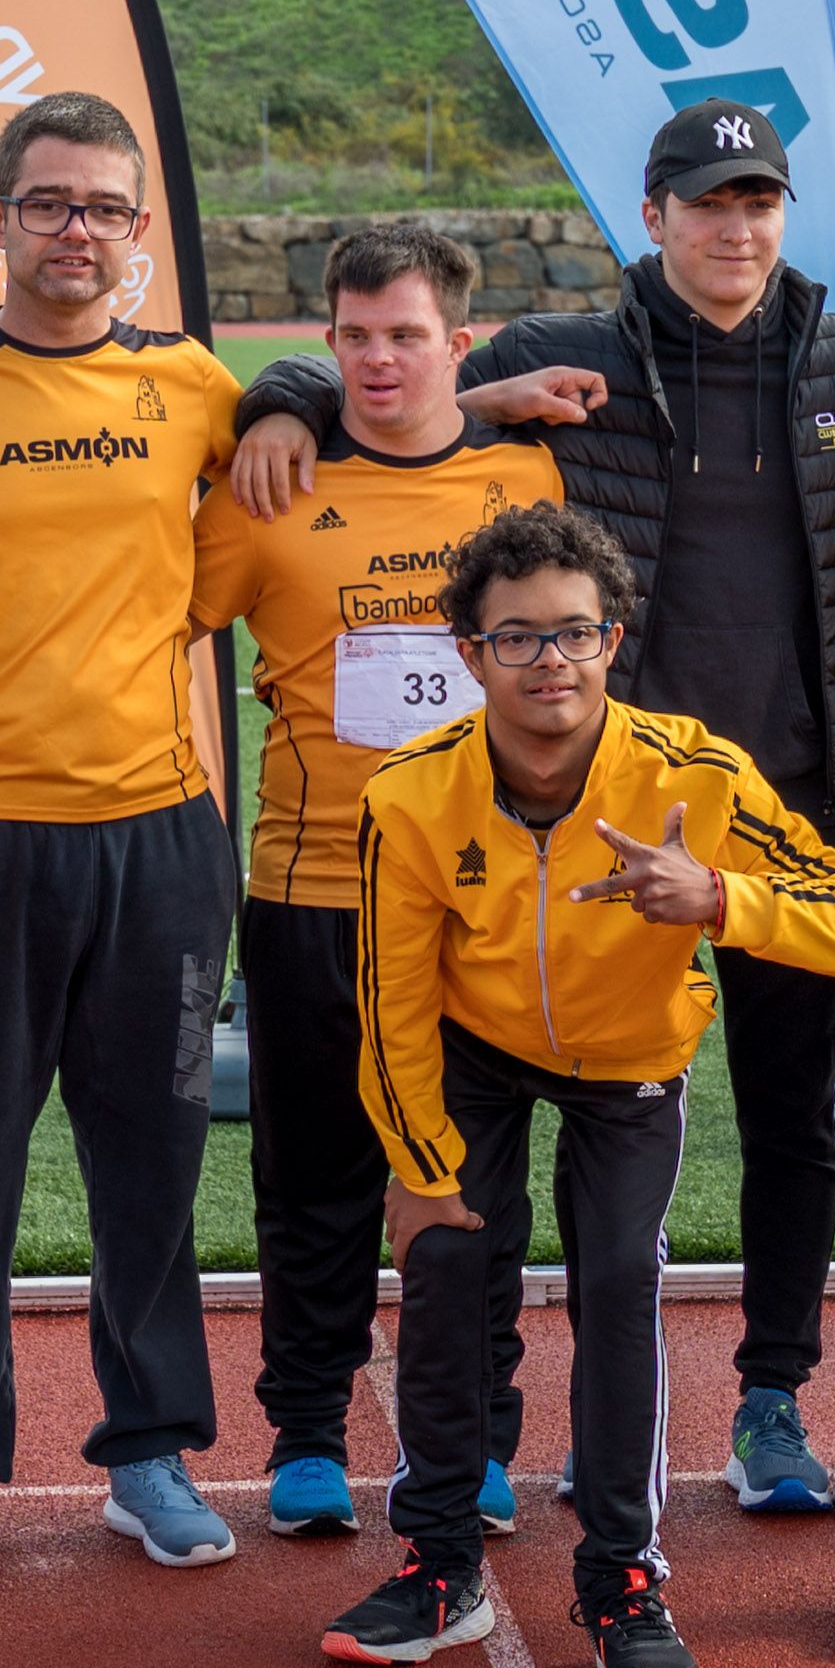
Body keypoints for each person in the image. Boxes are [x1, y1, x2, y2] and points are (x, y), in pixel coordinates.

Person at [238, 97, 835, 1514]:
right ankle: (446, 1431)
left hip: (781, 791)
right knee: (510, 1138)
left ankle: (772, 1401)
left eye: (759, 202)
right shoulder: (562, 357)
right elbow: (391, 380)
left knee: (786, 1124)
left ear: (785, 216)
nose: (735, 227)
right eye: (706, 203)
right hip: (585, 807)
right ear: (650, 216)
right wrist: (281, 394)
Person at [319, 504, 835, 1668]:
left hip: (629, 1061)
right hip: (476, 1050)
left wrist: (721, 900)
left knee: (616, 1289)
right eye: (519, 638)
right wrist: (419, 1163)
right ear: (469, 651)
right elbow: (388, 1000)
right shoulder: (408, 796)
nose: (551, 661)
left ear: (615, 639)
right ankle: (439, 1565)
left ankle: (622, 1580)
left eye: (576, 634)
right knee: (443, 1269)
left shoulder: (694, 770)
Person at [0, 94, 247, 1581]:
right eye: (48, 204)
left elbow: (339, 411)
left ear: (138, 233)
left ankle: (147, 1451)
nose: (75, 232)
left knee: (149, 1158)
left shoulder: (199, 386)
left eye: (104, 209)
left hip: (160, 831)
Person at [187, 226, 562, 1541]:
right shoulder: (267, 484)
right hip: (311, 888)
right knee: (314, 1173)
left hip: (477, 893)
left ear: (461, 344)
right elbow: (158, 615)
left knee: (475, 1181)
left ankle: (476, 1436)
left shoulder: (524, 480)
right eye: (354, 336)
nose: (378, 359)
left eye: (406, 335)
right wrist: (275, 400)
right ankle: (304, 1431)